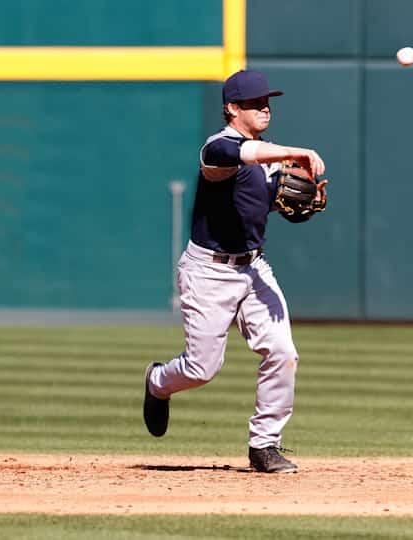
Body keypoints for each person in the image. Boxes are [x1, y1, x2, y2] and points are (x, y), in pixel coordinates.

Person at [143, 69, 327, 473]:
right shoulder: (217, 149)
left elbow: (275, 193)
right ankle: (158, 382)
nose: (264, 107)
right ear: (231, 108)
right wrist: (291, 152)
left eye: (267, 101)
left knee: (282, 352)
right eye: (253, 102)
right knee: (201, 368)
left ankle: (264, 445)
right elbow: (238, 155)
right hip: (209, 271)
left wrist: (298, 197)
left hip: (254, 267)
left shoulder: (267, 157)